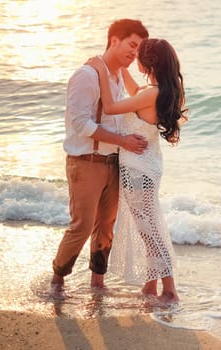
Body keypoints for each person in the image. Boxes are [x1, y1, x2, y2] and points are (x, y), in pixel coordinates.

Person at [51, 19, 149, 296]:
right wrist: (124, 141)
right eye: (132, 45)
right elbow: (81, 124)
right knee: (81, 227)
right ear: (114, 40)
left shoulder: (117, 77)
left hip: (114, 163)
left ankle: (98, 283)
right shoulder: (86, 75)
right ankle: (57, 279)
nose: (134, 53)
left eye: (139, 49)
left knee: (106, 227)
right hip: (87, 162)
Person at [86, 38, 188, 306]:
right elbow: (134, 89)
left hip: (137, 170)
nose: (135, 60)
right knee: (150, 225)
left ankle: (169, 290)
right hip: (149, 165)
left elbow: (109, 107)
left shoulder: (149, 94)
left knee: (149, 230)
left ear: (148, 63)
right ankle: (150, 286)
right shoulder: (158, 90)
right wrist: (120, 67)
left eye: (138, 57)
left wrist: (100, 70)